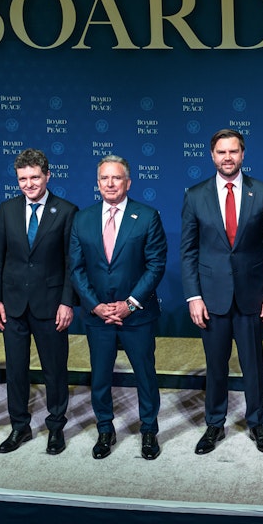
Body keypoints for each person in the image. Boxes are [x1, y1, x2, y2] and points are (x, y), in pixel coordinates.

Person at [180, 129, 263, 455]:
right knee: (215, 365)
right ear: (212, 155)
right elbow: (188, 251)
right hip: (211, 298)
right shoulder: (195, 195)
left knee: (253, 365)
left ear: (243, 154)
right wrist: (194, 296)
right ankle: (214, 423)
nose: (228, 157)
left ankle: (257, 423)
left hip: (252, 295)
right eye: (222, 152)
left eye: (233, 151)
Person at [69, 154, 167, 460]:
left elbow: (156, 264)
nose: (110, 183)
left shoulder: (147, 216)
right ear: (97, 183)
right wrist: (95, 306)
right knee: (100, 377)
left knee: (145, 375)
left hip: (137, 315)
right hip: (97, 316)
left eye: (116, 177)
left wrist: (130, 304)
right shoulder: (82, 218)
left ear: (128, 182)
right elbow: (76, 268)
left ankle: (148, 430)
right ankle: (105, 429)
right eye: (104, 178)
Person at [0, 148, 78, 455]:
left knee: (55, 370)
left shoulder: (66, 211)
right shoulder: (7, 209)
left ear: (47, 176)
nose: (29, 184)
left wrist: (67, 302)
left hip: (51, 305)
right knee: (16, 370)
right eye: (22, 179)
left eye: (35, 177)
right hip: (13, 305)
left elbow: (71, 263)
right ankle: (19, 426)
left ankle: (56, 427)